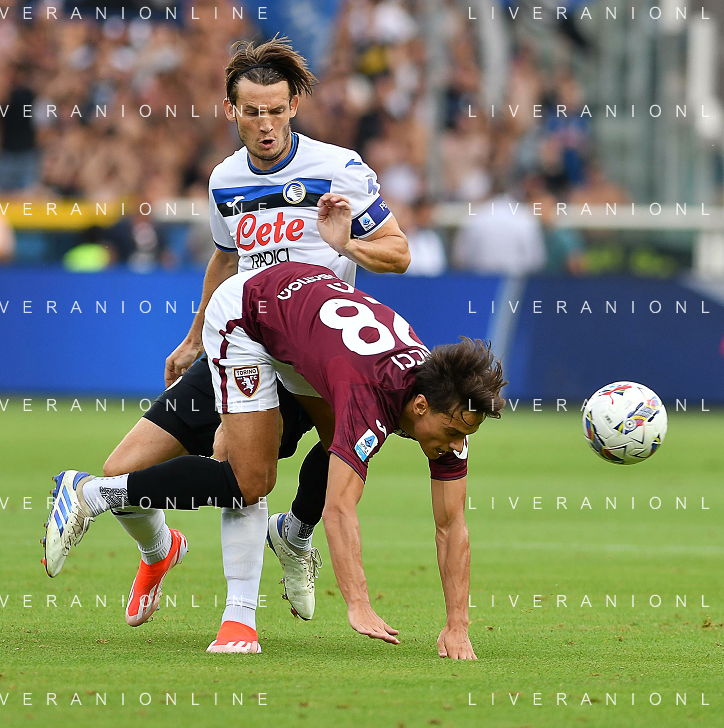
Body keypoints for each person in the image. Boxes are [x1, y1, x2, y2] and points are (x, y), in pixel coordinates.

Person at [46, 36, 411, 646]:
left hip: (311, 353)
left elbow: (398, 252)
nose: (266, 125)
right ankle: (161, 550)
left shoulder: (338, 168)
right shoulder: (225, 179)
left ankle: (274, 564)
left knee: (303, 456)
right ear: (231, 111)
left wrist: (347, 245)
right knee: (126, 469)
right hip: (241, 337)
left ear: (294, 106)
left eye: (277, 111)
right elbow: (225, 258)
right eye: (253, 112)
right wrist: (193, 337)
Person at [45, 259, 507, 657]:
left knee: (338, 445)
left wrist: (458, 625)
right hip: (248, 314)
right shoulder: (370, 397)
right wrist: (358, 603)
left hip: (304, 317)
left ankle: (291, 533)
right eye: (451, 433)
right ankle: (93, 494)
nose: (455, 445)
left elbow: (452, 525)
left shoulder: (447, 405)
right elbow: (340, 509)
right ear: (420, 406)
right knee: (250, 479)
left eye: (463, 435)